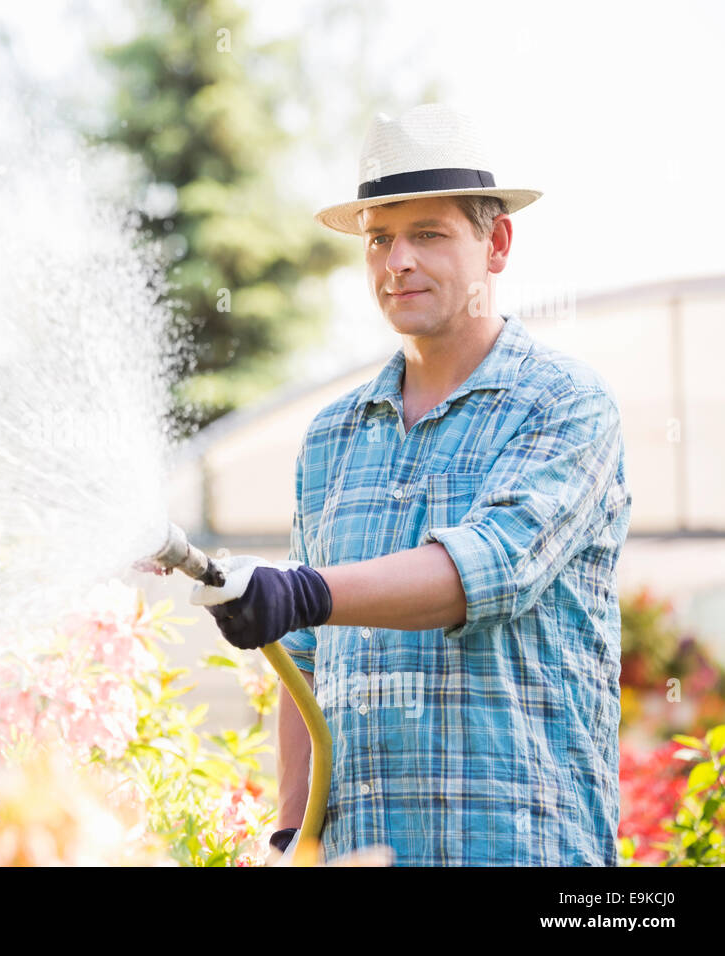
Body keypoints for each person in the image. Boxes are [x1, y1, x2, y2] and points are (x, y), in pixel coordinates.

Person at [191, 104, 632, 866]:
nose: (397, 260)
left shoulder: (563, 404)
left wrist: (302, 589)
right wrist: (295, 835)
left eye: (428, 234)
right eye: (379, 238)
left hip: (526, 850)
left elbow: (489, 570)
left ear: (496, 244)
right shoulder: (332, 436)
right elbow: (305, 658)